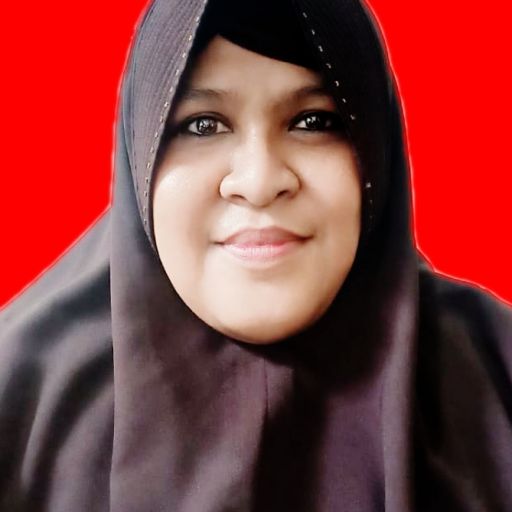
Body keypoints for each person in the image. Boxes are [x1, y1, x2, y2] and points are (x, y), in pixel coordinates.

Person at [0, 0, 511, 510]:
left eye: (313, 121)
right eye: (203, 125)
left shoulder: (498, 372)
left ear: (375, 151)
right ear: (142, 155)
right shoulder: (18, 402)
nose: (260, 181)